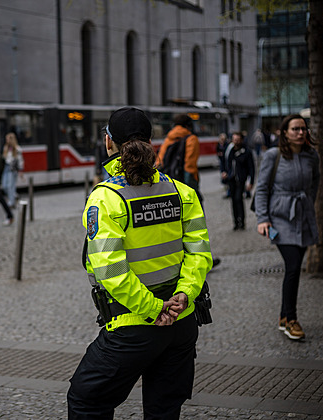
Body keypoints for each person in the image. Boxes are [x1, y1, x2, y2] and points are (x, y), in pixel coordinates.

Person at [67, 107, 213, 419]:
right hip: (183, 322)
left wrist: (153, 309)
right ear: (150, 142)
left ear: (109, 143)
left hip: (135, 326)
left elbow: (111, 270)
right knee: (164, 410)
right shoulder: (181, 192)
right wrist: (184, 295)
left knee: (85, 400)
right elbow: (199, 254)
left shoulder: (107, 198)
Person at [255, 114, 319, 341]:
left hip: (302, 218)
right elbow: (261, 189)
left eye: (303, 129)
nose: (300, 133)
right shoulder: (273, 155)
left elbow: (315, 183)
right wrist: (263, 219)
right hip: (279, 219)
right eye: (295, 129)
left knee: (295, 266)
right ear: (284, 132)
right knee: (292, 266)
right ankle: (291, 319)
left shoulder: (312, 155)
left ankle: (283, 317)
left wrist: (308, 205)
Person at [156, 113, 201, 194]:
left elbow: (160, 161)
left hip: (170, 182)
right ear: (188, 125)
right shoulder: (192, 139)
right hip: (184, 181)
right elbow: (190, 165)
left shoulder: (168, 138)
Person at [222, 132, 255, 230]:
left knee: (238, 199)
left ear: (241, 140)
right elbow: (224, 162)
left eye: (237, 139)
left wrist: (251, 181)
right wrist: (224, 172)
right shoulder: (229, 150)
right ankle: (236, 222)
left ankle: (242, 221)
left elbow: (251, 168)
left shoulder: (246, 152)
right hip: (231, 179)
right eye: (234, 139)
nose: (235, 141)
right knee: (233, 201)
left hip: (241, 179)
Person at [1, 132, 24, 208]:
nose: (6, 141)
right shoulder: (6, 148)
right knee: (4, 185)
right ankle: (14, 195)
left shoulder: (17, 149)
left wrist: (21, 170)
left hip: (13, 168)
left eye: (7, 139)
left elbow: (20, 160)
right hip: (6, 167)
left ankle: (11, 202)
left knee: (11, 186)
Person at [216, 133, 230, 198]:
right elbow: (217, 151)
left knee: (227, 179)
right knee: (224, 179)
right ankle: (228, 192)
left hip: (226, 163)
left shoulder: (227, 145)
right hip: (221, 162)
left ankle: (229, 192)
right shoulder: (219, 144)